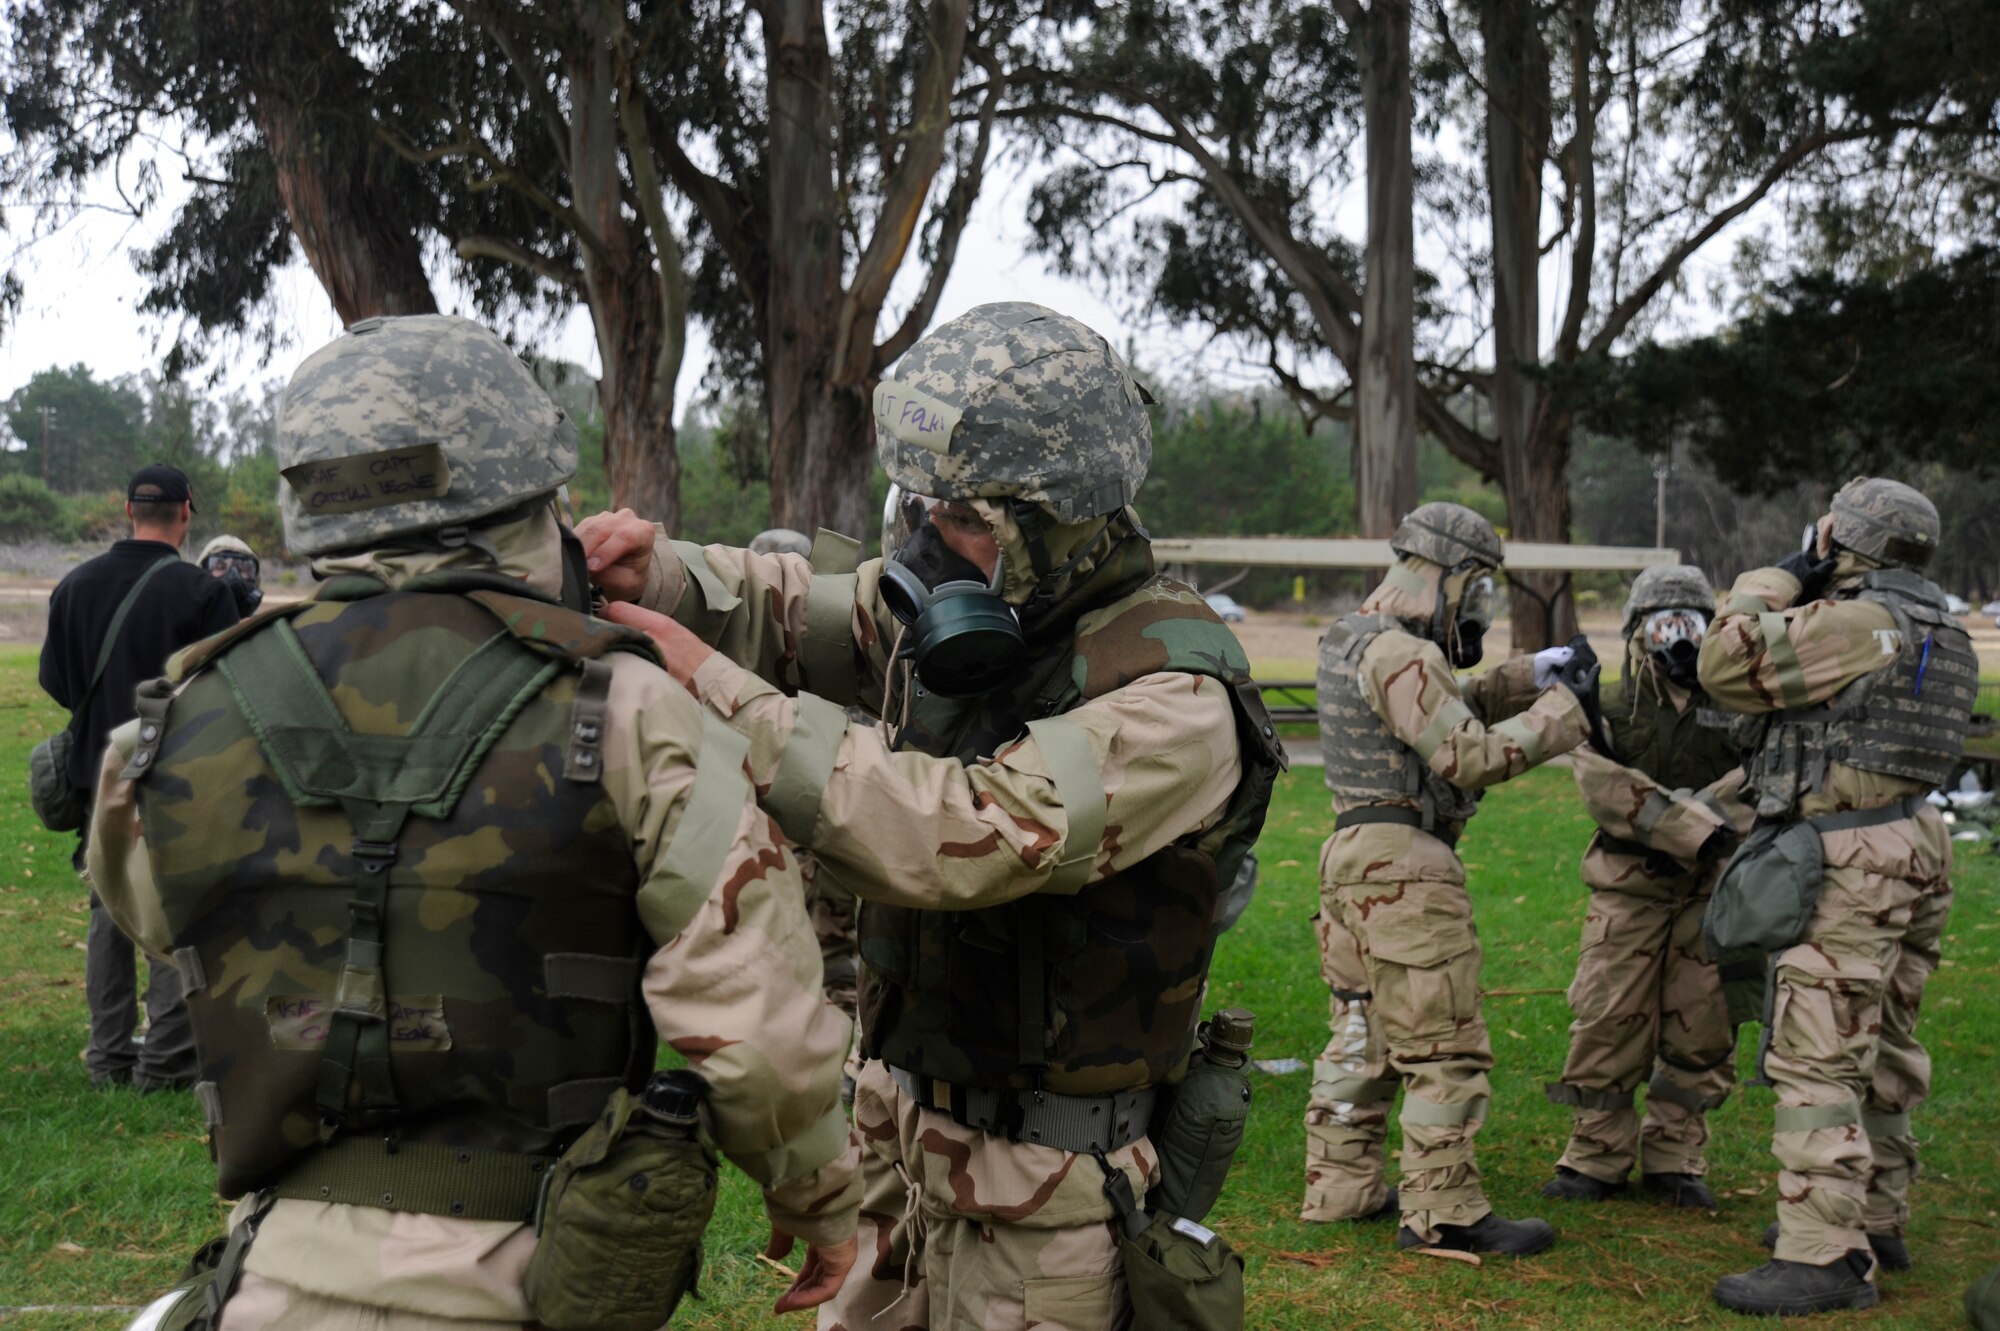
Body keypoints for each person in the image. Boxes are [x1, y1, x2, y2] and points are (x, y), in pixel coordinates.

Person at [87, 315, 860, 1329]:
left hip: (272, 1278)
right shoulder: (627, 709)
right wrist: (817, 1193)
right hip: (524, 1275)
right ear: (528, 494)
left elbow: (157, 916)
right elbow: (758, 1025)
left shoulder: (178, 714)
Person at [579, 301, 1285, 1330]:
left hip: (1042, 1193)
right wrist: (668, 580)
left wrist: (713, 692)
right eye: (917, 505)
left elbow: (948, 834)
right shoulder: (980, 607)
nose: (921, 545)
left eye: (958, 519)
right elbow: (789, 606)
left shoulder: (1174, 697)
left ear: (1054, 519)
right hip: (899, 1142)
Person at [1699, 477, 1974, 1316]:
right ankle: (1878, 1215)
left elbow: (1723, 661)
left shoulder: (1857, 623)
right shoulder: (1947, 632)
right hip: (1915, 839)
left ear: (1844, 542)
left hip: (1849, 851)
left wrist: (1778, 576)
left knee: (1819, 1047)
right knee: (1886, 1038)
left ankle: (1823, 1252)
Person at [1302, 502, 1598, 1256]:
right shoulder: (1404, 651)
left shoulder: (1352, 637)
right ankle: (1445, 1210)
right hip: (1406, 866)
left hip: (1350, 859)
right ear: (1453, 578)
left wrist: (1529, 675)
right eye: (1478, 588)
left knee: (1360, 1033)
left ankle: (1340, 1186)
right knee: (1443, 1044)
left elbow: (1433, 711)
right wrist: (1564, 711)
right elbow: (1465, 756)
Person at [1541, 564, 1753, 1209]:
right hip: (1626, 888)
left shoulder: (1742, 698)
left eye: (1689, 622)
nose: (1676, 637)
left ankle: (1676, 1154)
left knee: (1702, 1024)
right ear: (1637, 630)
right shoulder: (1604, 703)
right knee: (1608, 1019)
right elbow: (1600, 782)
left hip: (1711, 892)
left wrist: (1706, 827)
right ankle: (1595, 1155)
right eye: (1663, 623)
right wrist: (1685, 826)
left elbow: (1761, 774)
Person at [40, 463, 238, 1091]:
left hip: (99, 775)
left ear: (128, 511)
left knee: (109, 911)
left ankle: (108, 1060)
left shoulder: (73, 585)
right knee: (171, 917)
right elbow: (227, 690)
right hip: (179, 773)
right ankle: (167, 1063)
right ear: (186, 512)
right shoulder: (202, 592)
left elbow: (56, 682)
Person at [198, 533, 264, 616]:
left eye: (242, 567)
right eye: (220, 566)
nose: (233, 574)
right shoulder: (186, 626)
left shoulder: (263, 627)